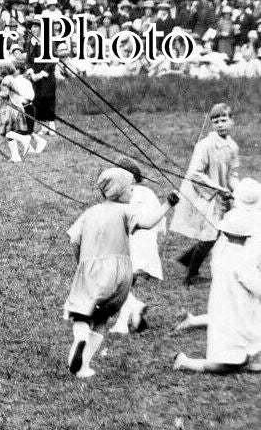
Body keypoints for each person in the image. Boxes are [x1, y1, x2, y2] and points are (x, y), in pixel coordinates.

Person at [63, 167, 151, 379]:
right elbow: (147, 224)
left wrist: (81, 261)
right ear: (120, 191)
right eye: (130, 189)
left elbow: (74, 239)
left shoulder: (90, 212)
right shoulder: (126, 211)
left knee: (81, 314)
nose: (133, 192)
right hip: (120, 273)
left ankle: (80, 340)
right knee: (102, 319)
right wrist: (169, 204)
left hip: (91, 270)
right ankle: (84, 365)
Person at [173, 177, 261, 373]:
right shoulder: (247, 246)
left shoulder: (224, 247)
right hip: (242, 294)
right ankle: (186, 361)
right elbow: (253, 280)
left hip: (226, 292)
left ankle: (245, 357)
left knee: (233, 319)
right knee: (243, 327)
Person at [172, 103, 239, 284]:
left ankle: (188, 259)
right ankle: (191, 275)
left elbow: (233, 173)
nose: (220, 124)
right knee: (211, 233)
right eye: (215, 121)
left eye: (224, 120)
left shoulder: (232, 146)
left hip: (221, 195)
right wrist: (218, 189)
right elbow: (195, 173)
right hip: (204, 193)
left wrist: (235, 189)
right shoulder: (205, 145)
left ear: (232, 121)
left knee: (219, 233)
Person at [109, 158, 177, 335]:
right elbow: (159, 224)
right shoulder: (147, 192)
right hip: (146, 248)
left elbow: (140, 223)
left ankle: (123, 323)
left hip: (134, 249)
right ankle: (135, 308)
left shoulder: (130, 196)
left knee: (120, 285)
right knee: (122, 284)